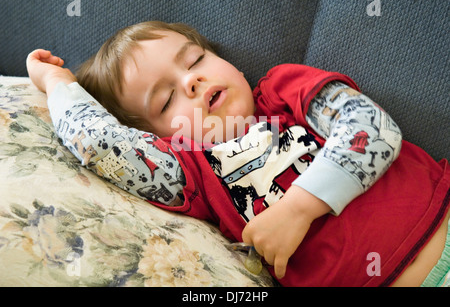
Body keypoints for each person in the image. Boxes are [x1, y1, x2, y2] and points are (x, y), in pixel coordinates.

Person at [26, 21, 449, 287]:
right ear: (157, 140)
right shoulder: (189, 172)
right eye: (166, 99)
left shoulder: (285, 91)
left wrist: (298, 209)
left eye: (195, 60)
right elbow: (99, 143)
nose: (192, 81)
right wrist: (56, 79)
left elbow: (372, 130)